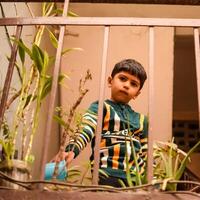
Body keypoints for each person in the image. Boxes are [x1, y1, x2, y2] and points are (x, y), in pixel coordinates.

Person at [54, 58, 148, 187]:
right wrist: (71, 150)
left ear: (137, 93)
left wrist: (152, 179)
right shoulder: (100, 108)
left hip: (136, 179)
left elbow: (146, 152)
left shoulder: (142, 120)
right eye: (122, 79)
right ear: (110, 81)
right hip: (106, 175)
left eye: (133, 84)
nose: (127, 85)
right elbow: (86, 128)